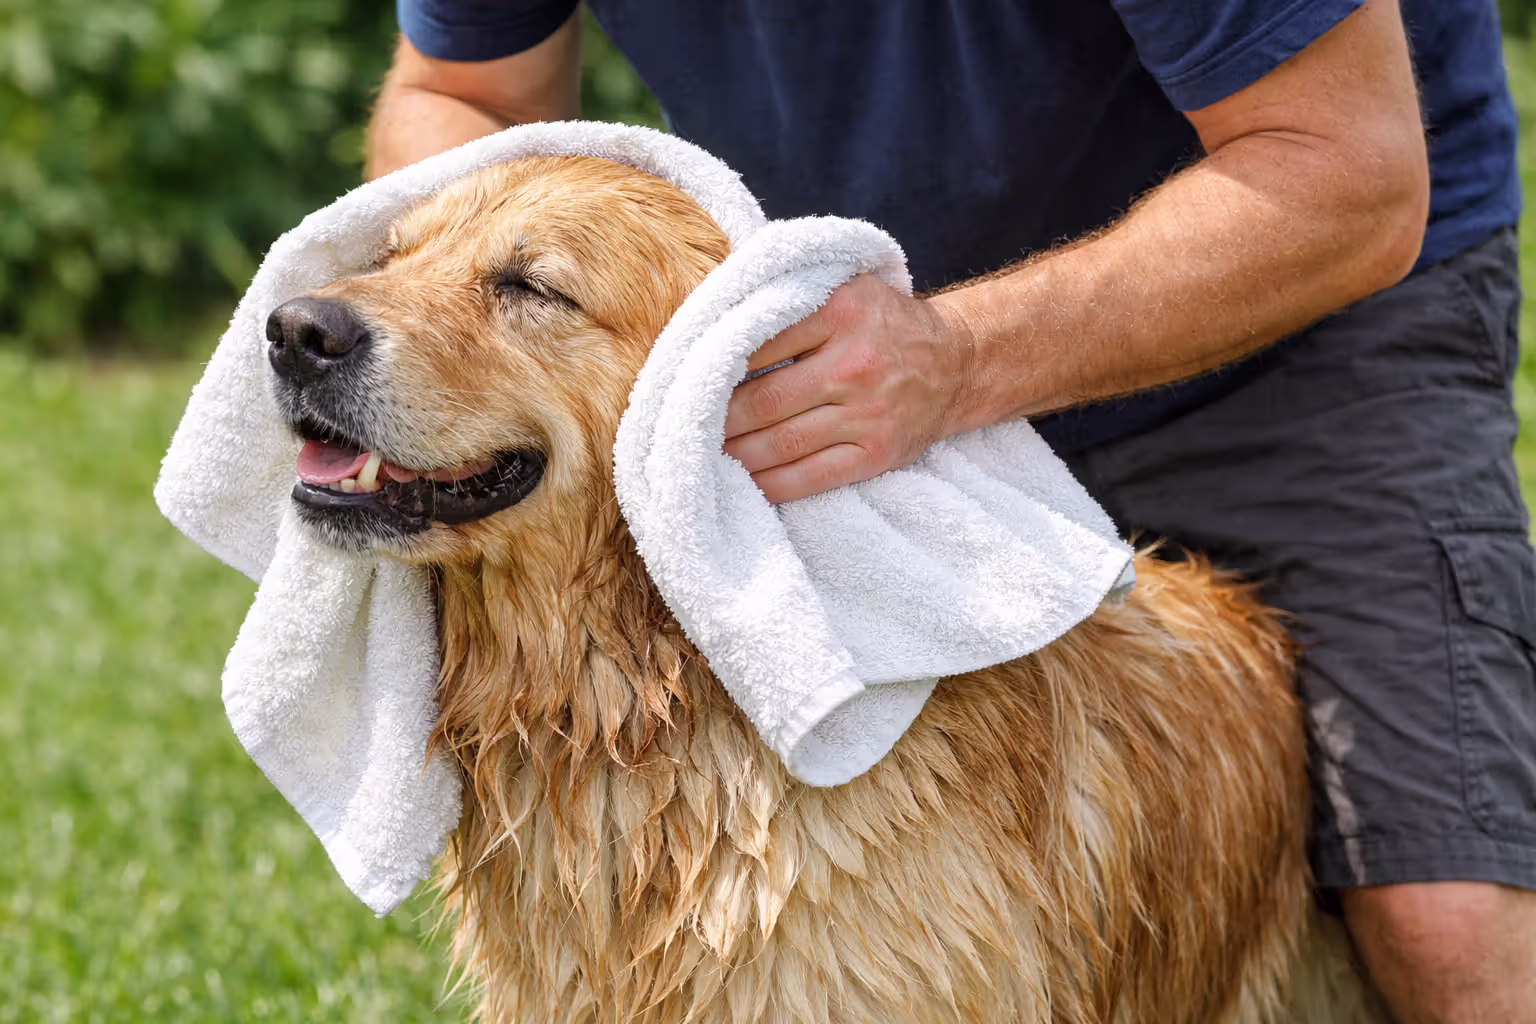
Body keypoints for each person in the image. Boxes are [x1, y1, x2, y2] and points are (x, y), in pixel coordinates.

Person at [366, 1, 1535, 1019]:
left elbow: (1350, 176)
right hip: (836, 346)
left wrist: (956, 362)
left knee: (1449, 925)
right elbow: (460, 93)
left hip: (1295, 316)